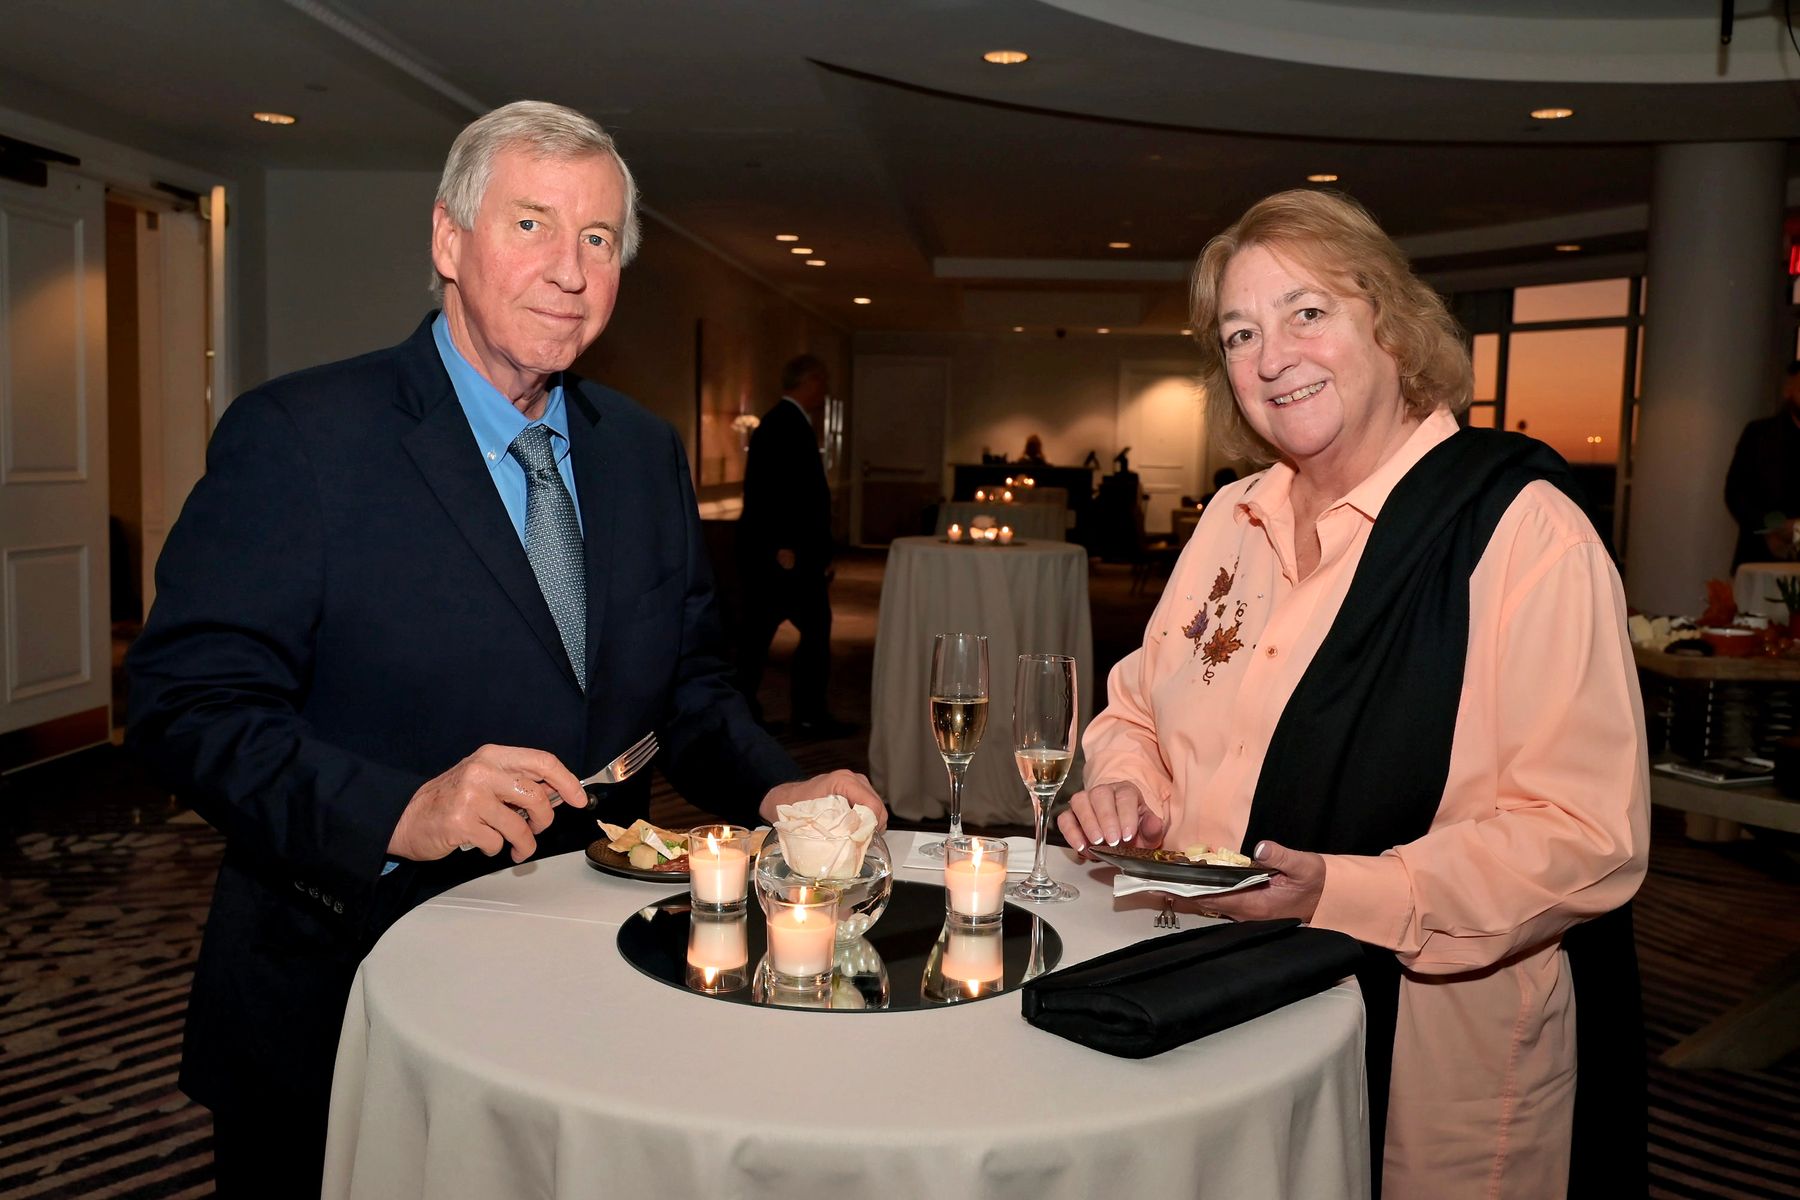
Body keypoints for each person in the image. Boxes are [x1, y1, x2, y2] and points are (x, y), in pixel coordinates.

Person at [126, 101, 884, 1197]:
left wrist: (781, 788)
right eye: (532, 224)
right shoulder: (303, 438)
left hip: (584, 981)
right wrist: (401, 810)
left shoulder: (640, 452)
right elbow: (185, 705)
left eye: (597, 239)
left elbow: (690, 688)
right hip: (348, 994)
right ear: (449, 239)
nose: (569, 270)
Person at [1057, 190, 1649, 1199]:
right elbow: (1138, 710)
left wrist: (1341, 891)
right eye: (1240, 334)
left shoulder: (1522, 531)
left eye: (1307, 312)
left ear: (1393, 325)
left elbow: (1587, 833)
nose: (1271, 357)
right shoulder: (1232, 519)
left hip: (1427, 1047)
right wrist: (1128, 787)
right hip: (1209, 1000)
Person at [735, 355, 852, 737]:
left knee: (761, 636)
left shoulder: (783, 422)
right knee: (779, 634)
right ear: (810, 381)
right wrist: (783, 545)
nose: (825, 390)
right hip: (787, 558)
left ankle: (755, 712)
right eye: (823, 382)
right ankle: (803, 714)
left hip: (790, 555)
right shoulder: (783, 424)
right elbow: (773, 492)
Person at [1723, 361, 1800, 567]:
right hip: (1758, 554)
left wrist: (1797, 530)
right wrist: (1773, 528)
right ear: (1788, 390)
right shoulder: (1759, 434)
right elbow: (1735, 493)